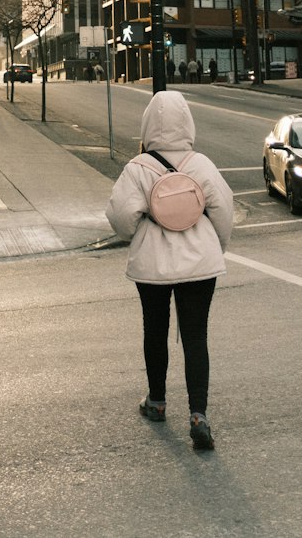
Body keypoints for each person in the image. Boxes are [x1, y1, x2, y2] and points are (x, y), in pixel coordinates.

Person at [106, 90, 234, 451]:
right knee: (195, 336)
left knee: (155, 330)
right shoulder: (202, 165)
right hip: (200, 263)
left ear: (147, 125)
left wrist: (141, 232)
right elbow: (224, 211)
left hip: (153, 265)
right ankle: (198, 414)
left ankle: (157, 401)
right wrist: (215, 247)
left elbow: (119, 217)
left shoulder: (138, 168)